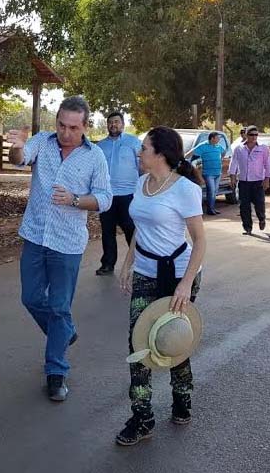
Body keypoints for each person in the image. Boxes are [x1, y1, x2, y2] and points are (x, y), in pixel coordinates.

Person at [6, 96, 112, 402]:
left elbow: (105, 198)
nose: (66, 132)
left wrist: (76, 200)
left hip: (67, 243)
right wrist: (16, 145)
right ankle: (63, 331)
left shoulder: (95, 158)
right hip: (35, 237)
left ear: (86, 126)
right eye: (62, 125)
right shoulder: (42, 142)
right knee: (31, 297)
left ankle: (56, 372)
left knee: (60, 306)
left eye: (73, 127)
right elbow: (20, 158)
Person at [115, 126, 206, 446]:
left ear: (160, 154)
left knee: (172, 339)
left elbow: (200, 242)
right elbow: (140, 229)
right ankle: (142, 417)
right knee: (138, 344)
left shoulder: (184, 189)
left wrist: (185, 284)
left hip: (179, 273)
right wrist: (127, 264)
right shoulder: (142, 184)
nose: (139, 153)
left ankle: (183, 398)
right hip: (145, 271)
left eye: (143, 148)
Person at [95, 112, 141, 276]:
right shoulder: (99, 146)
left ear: (122, 124)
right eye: (110, 122)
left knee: (131, 229)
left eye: (116, 122)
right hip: (106, 196)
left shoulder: (133, 142)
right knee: (107, 231)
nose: (113, 125)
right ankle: (107, 264)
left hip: (129, 195)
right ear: (107, 125)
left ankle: (140, 264)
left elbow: (142, 167)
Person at [228, 125, 270, 235]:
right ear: (246, 135)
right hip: (243, 181)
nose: (254, 137)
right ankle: (247, 227)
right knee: (244, 205)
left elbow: (268, 164)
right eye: (251, 135)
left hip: (258, 181)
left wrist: (267, 179)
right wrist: (232, 177)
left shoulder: (263, 148)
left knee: (259, 204)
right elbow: (233, 163)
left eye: (256, 135)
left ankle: (261, 218)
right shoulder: (239, 149)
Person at [186, 132, 226, 215]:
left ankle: (212, 208)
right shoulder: (203, 146)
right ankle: (210, 209)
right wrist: (183, 159)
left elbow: (223, 152)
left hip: (217, 172)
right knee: (211, 191)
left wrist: (221, 158)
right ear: (212, 138)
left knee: (215, 191)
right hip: (208, 173)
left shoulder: (218, 147)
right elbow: (192, 154)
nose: (219, 140)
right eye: (217, 138)